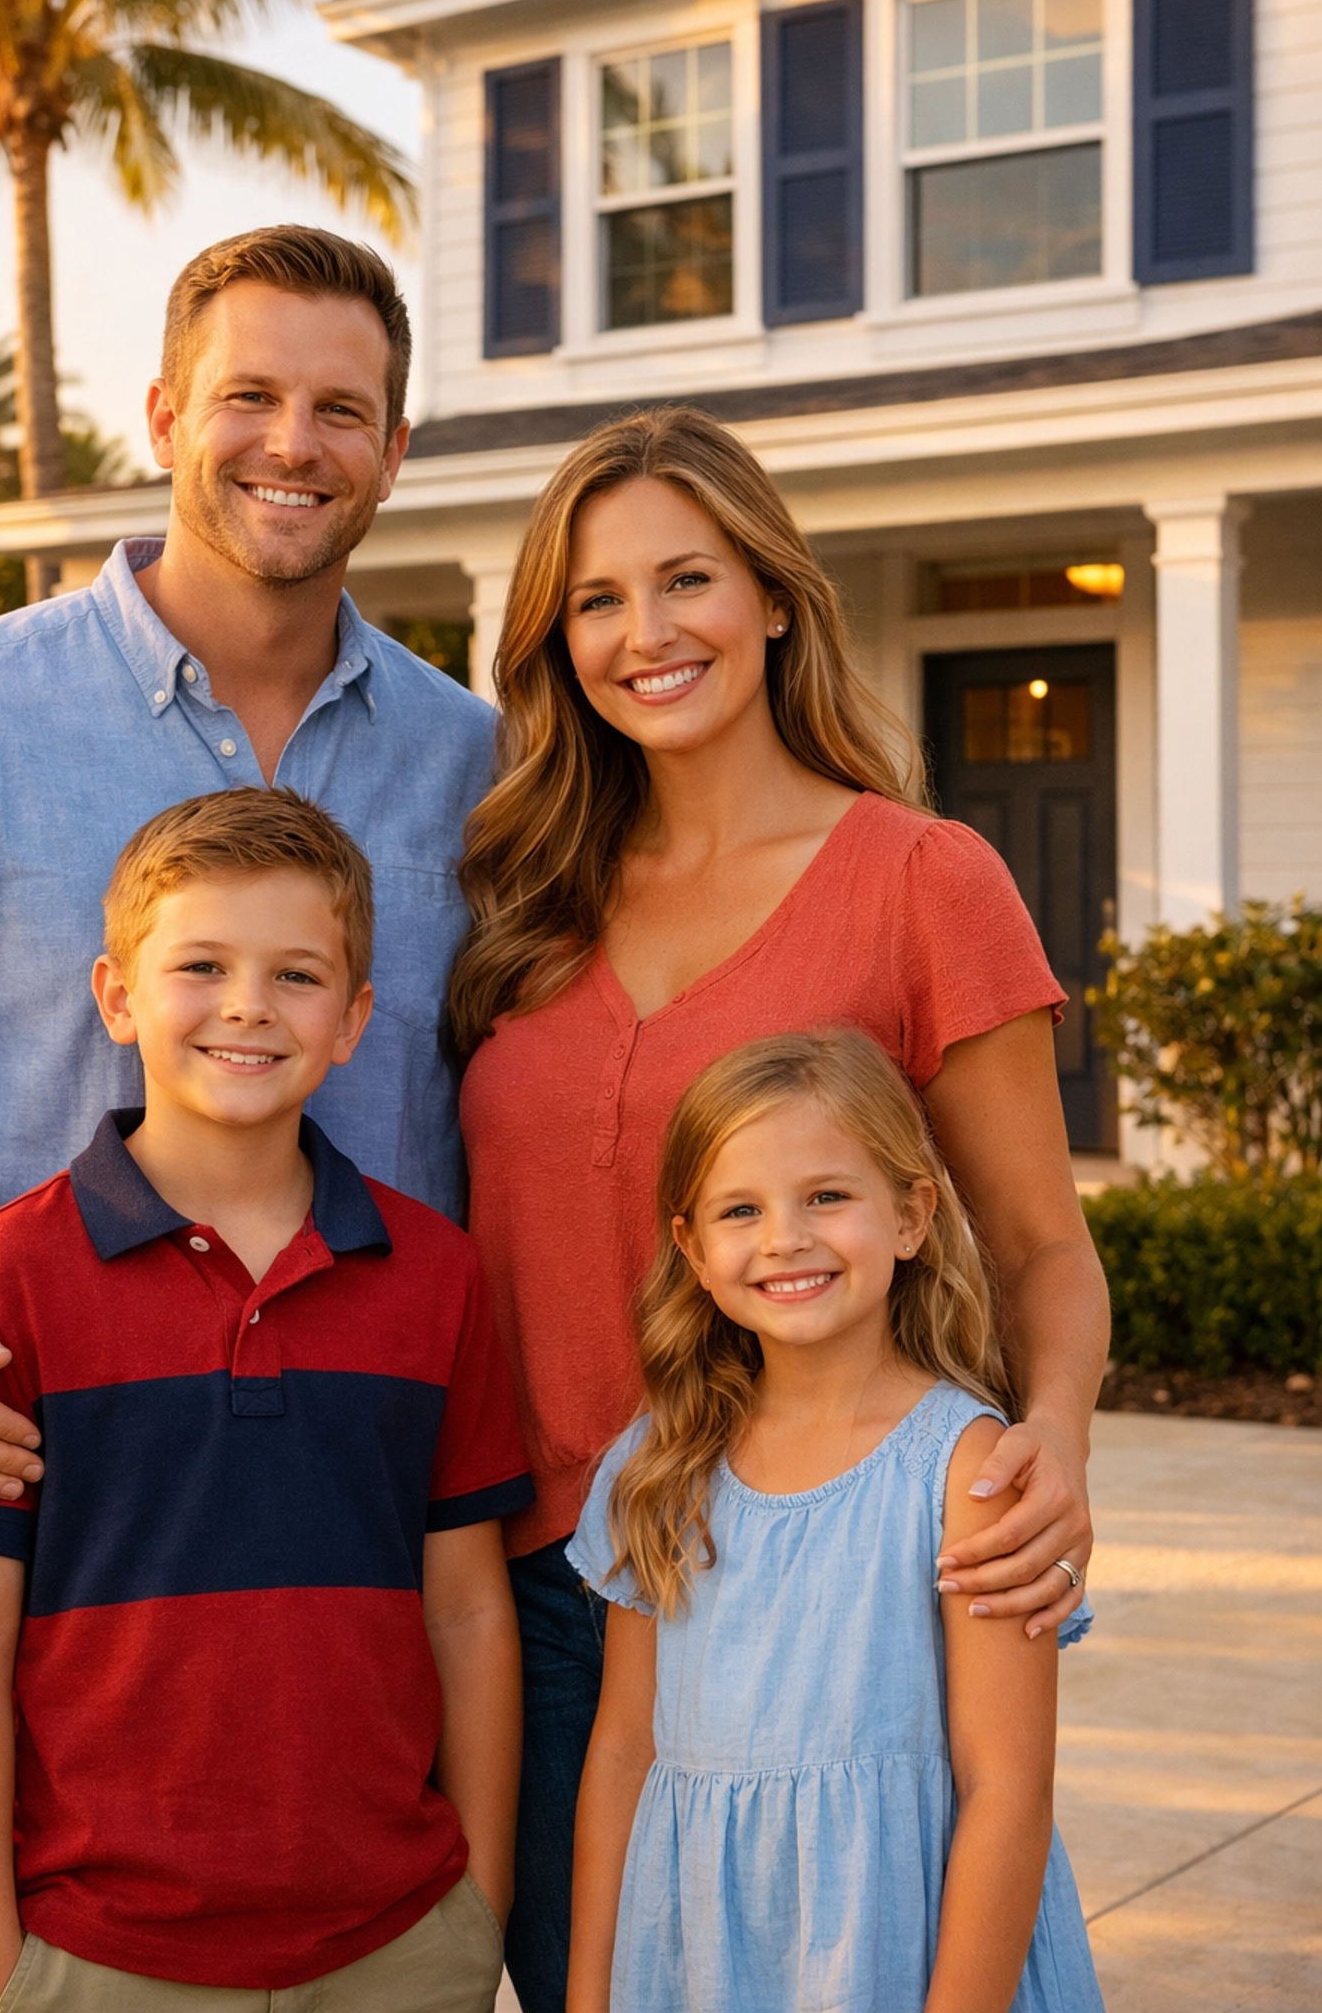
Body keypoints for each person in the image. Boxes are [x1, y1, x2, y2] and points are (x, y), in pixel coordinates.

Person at [0, 228, 494, 2013]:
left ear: (394, 449)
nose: (294, 440)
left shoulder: (474, 762)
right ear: (167, 411)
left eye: (345, 406)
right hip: (21, 1521)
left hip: (360, 1538)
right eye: (250, 392)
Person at [447, 405, 1110, 2013]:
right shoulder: (523, 890)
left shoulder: (918, 876)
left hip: (811, 1583)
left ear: (773, 596)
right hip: (526, 1582)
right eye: (596, 600)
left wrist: (1057, 1448)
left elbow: (1038, 1242)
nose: (646, 633)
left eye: (688, 580)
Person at [0, 787, 528, 2013]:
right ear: (117, 995)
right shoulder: (1, 1282)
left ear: (354, 1020)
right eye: (202, 966)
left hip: (396, 1946)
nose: (247, 1006)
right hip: (97, 1955)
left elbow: (470, 1614)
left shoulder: (437, 1277)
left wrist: (474, 1910)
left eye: (296, 975)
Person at [567, 1030, 1103, 2013]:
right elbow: (622, 1754)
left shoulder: (968, 1474)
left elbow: (1007, 1793)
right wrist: (590, 1997)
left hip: (912, 1966)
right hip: (698, 1967)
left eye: (827, 1196)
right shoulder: (656, 1470)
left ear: (910, 1215)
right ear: (691, 1246)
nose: (785, 1238)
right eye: (741, 1209)